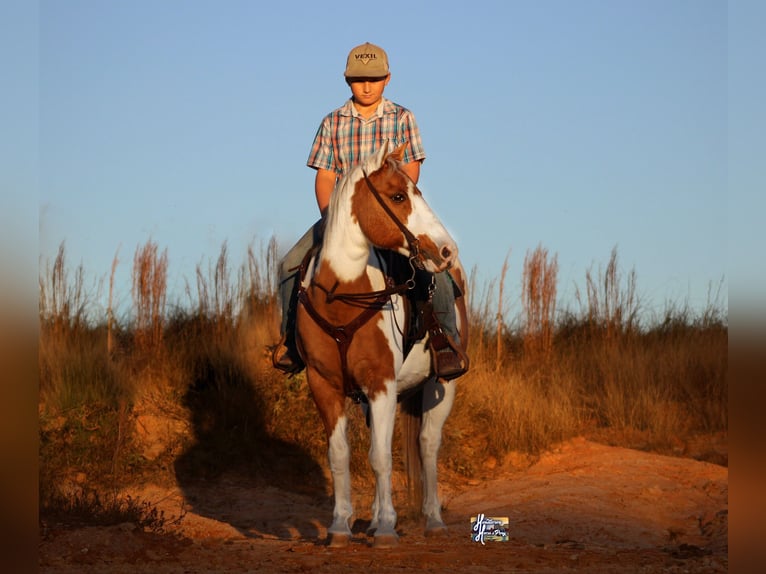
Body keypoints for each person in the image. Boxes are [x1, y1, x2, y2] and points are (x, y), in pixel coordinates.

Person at [272, 42, 467, 379]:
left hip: (392, 215)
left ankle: (444, 339)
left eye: (374, 79)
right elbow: (325, 176)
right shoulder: (332, 122)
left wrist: (392, 209)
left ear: (388, 79)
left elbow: (411, 171)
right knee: (289, 265)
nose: (366, 86)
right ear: (347, 80)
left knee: (434, 266)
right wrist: (330, 216)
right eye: (358, 79)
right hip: (343, 219)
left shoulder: (402, 118)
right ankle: (292, 341)